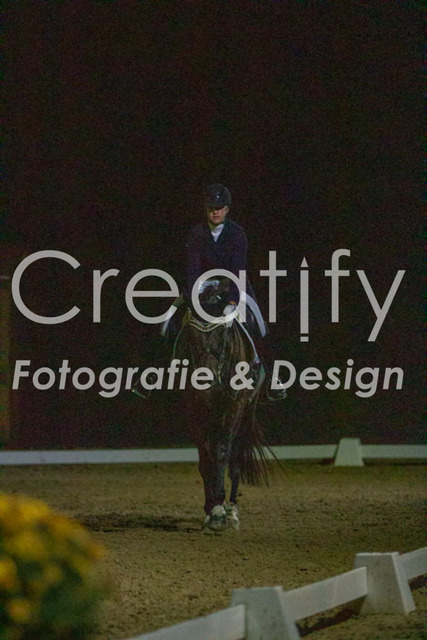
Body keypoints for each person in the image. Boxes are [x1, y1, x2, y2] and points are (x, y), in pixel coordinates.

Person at [181, 183, 286, 401]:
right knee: (167, 321)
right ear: (205, 209)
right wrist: (193, 298)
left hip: (232, 284)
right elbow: (192, 270)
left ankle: (273, 379)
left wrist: (232, 302)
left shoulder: (237, 233)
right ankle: (151, 376)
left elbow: (238, 271)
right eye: (211, 208)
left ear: (227, 209)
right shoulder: (196, 233)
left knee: (259, 323)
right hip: (204, 285)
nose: (215, 212)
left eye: (219, 208)